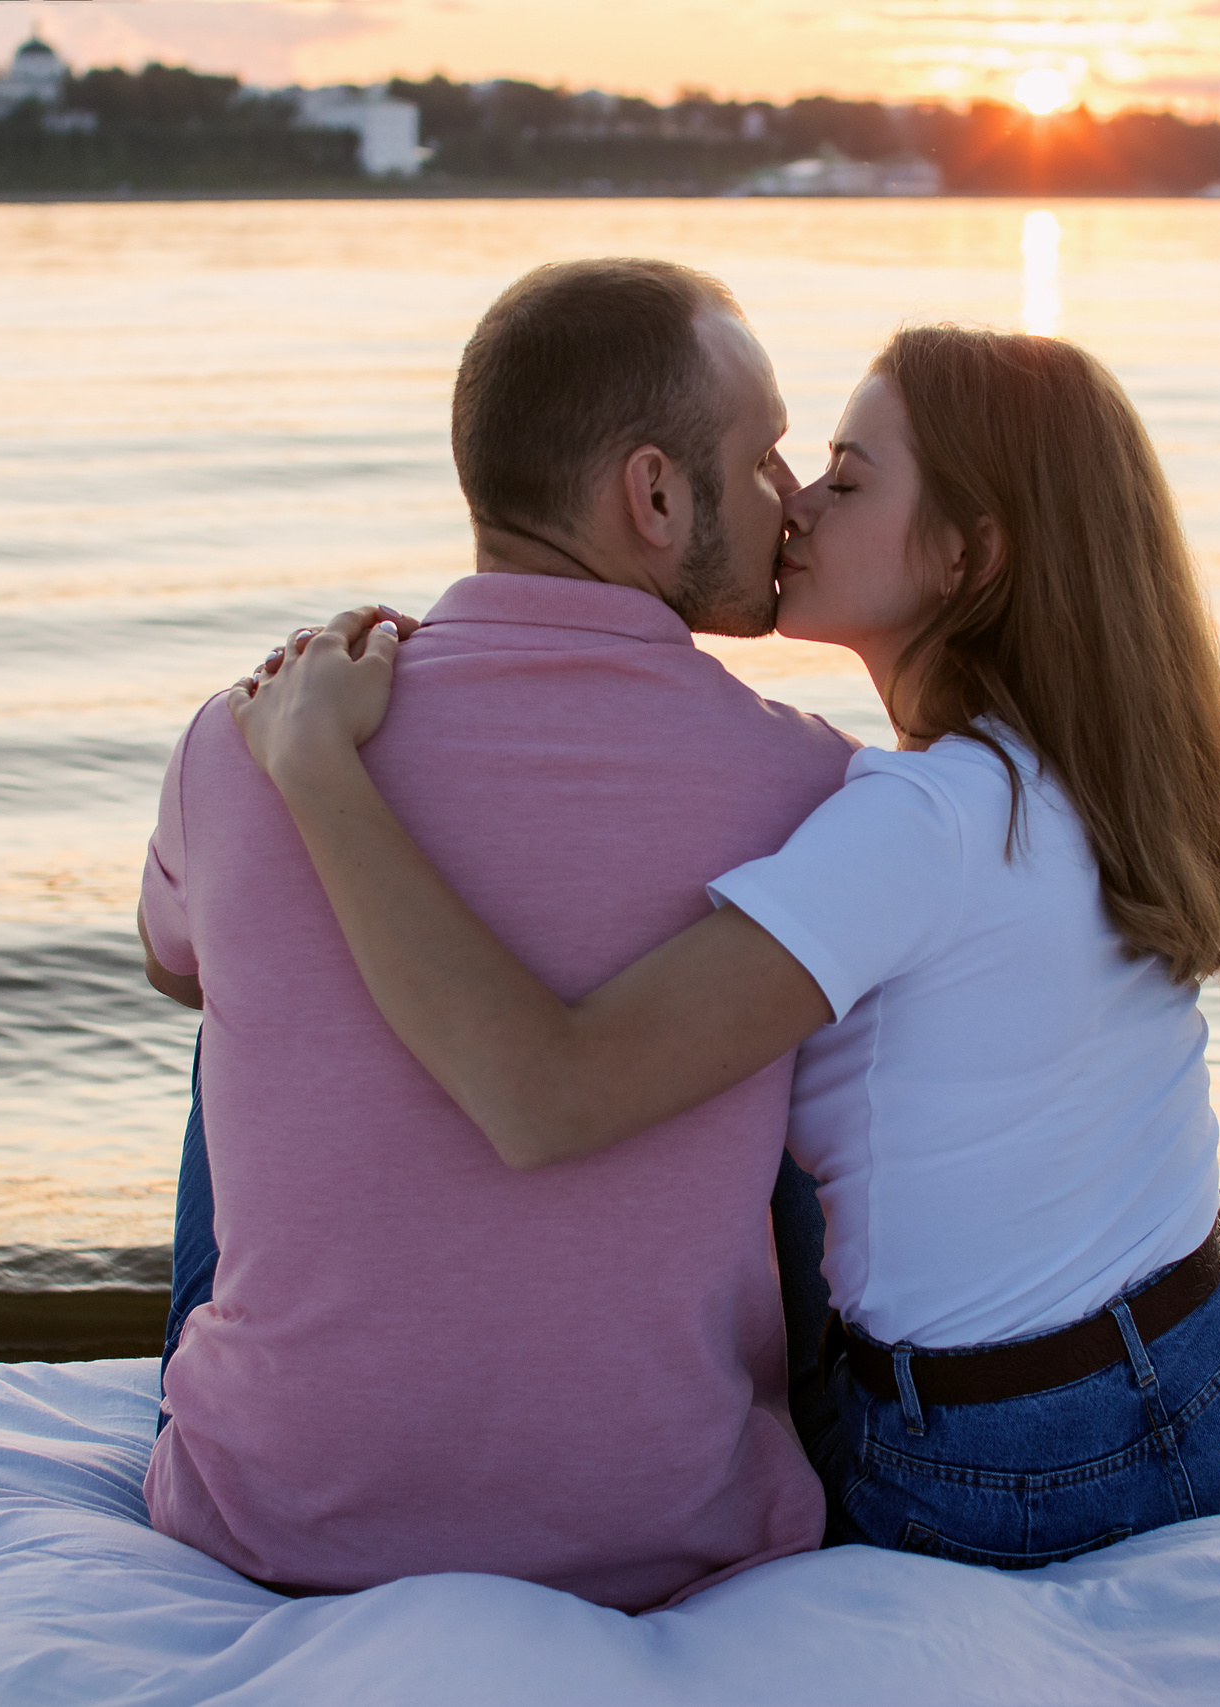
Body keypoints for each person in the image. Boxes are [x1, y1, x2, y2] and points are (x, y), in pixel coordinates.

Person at [231, 323, 1220, 1568]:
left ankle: (264, 1401)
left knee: (292, 1034)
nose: (796, 502)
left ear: (969, 554)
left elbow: (544, 1095)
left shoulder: (917, 823)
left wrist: (317, 770)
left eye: (848, 478)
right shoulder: (1068, 774)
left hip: (1023, 1468)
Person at [133, 257, 858, 1611]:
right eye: (763, 457)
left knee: (243, 985)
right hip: (667, 1530)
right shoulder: (810, 789)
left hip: (271, 1518)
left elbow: (167, 959)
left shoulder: (246, 732)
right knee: (792, 1032)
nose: (794, 498)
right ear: (652, 493)